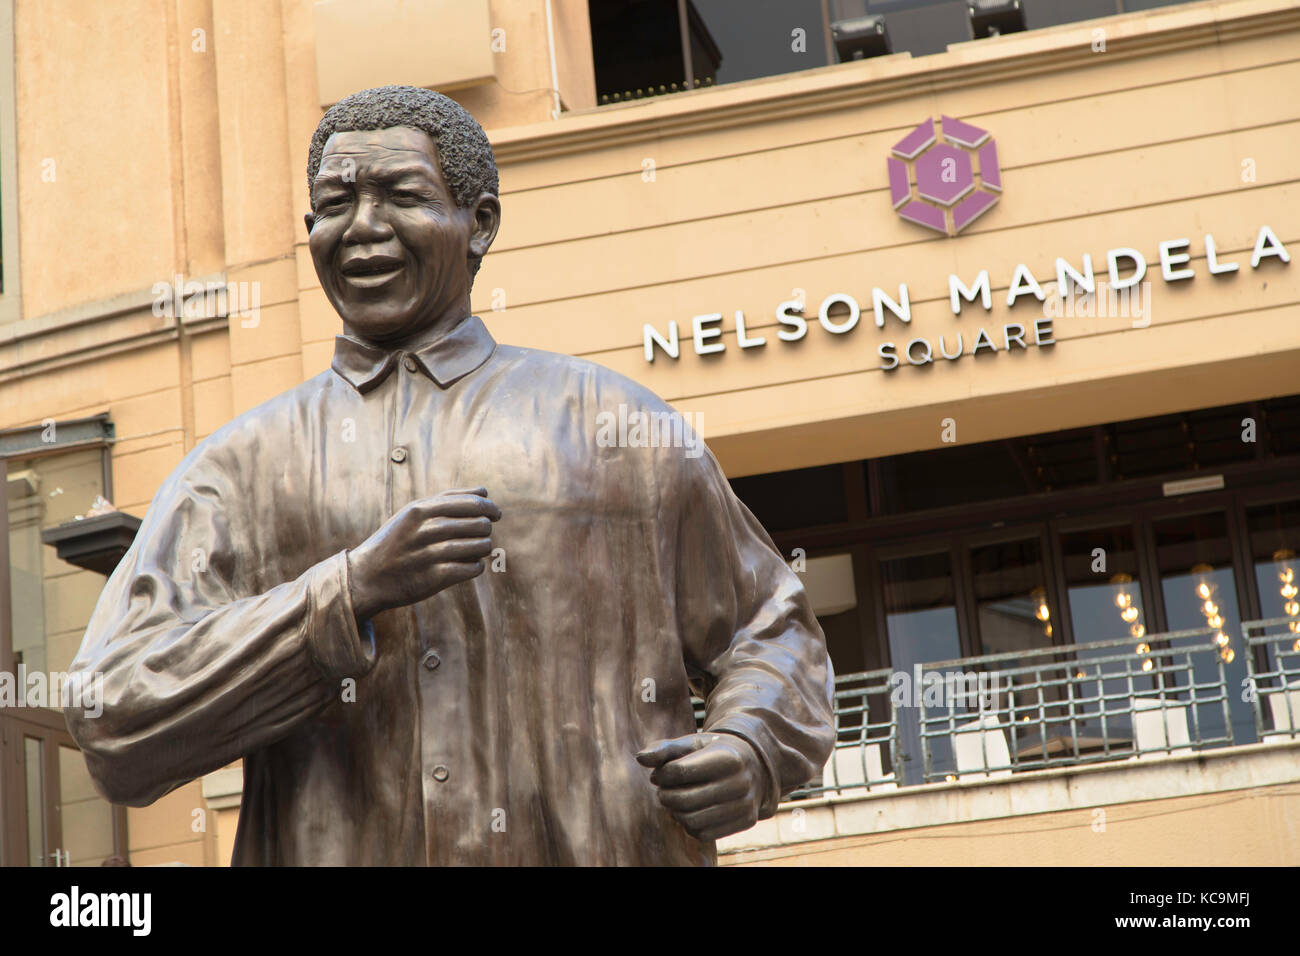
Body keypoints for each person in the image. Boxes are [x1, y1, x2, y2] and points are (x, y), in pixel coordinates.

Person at [66, 85, 834, 865]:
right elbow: (114, 716)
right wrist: (344, 595)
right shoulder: (234, 471)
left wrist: (750, 746)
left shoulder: (616, 427)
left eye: (403, 195)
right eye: (336, 203)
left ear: (481, 224)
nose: (363, 227)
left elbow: (769, 629)